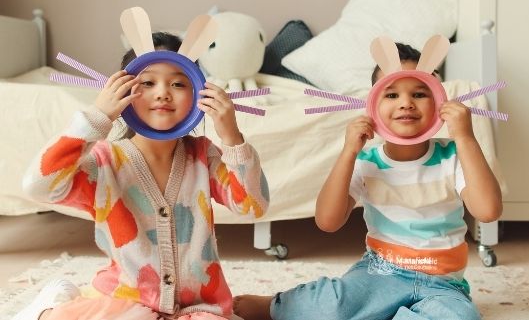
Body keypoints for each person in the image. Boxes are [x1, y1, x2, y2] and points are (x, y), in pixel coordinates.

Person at [233, 43, 502, 320]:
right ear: (373, 104)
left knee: (462, 318)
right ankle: (277, 306)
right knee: (333, 306)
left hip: (443, 283)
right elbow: (328, 221)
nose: (406, 103)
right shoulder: (367, 160)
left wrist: (466, 138)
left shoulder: (454, 155)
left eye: (420, 93)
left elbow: (488, 211)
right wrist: (348, 152)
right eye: (392, 94)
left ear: (438, 103)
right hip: (379, 273)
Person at [15, 32, 269, 320]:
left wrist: (232, 138)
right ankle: (51, 307)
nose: (162, 92)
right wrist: (98, 117)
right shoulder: (104, 163)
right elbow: (37, 185)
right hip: (125, 305)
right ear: (123, 93)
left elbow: (253, 205)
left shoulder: (204, 158)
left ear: (198, 92)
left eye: (178, 83)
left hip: (197, 309)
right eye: (147, 83)